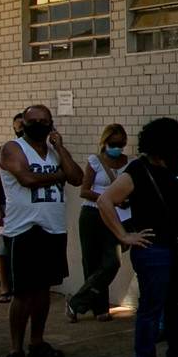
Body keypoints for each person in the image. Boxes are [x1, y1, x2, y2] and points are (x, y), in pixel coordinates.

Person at [97, 116, 178, 357]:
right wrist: (124, 235)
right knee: (151, 306)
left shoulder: (173, 168)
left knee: (176, 304)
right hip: (153, 248)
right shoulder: (137, 170)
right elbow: (105, 201)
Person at [0, 104, 82, 357]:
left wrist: (61, 148)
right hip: (24, 230)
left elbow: (77, 178)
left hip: (53, 228)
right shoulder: (12, 148)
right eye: (34, 120)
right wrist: (59, 176)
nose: (40, 124)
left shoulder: (55, 152)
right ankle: (15, 349)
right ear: (23, 122)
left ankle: (37, 342)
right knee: (22, 293)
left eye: (45, 121)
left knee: (44, 289)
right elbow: (27, 179)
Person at [67, 124, 131, 322]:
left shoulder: (129, 163)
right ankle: (99, 308)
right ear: (105, 142)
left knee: (112, 262)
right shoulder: (95, 161)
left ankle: (77, 301)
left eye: (121, 144)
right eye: (113, 143)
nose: (117, 147)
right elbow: (84, 191)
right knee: (92, 261)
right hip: (92, 214)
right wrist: (109, 198)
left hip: (117, 216)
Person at [0, 112, 27, 304]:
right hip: (8, 206)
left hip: (31, 209)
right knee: (3, 247)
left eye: (23, 125)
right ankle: (5, 288)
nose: (19, 129)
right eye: (17, 126)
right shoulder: (6, 150)